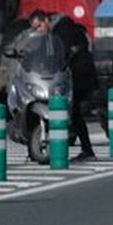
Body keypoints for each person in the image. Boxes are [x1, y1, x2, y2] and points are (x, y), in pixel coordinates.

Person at [30, 9, 96, 159]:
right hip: (68, 76)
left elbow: (63, 54)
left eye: (39, 26)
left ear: (46, 20)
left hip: (78, 76)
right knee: (72, 111)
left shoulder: (63, 30)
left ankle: (87, 149)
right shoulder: (52, 34)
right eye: (35, 29)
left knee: (75, 111)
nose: (38, 30)